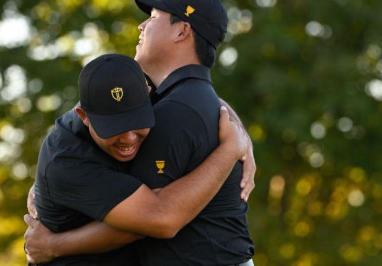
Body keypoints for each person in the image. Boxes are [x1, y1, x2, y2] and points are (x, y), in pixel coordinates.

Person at [28, 53, 250, 265]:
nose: (129, 138)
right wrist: (230, 150)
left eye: (136, 121)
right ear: (84, 116)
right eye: (114, 128)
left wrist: (244, 139)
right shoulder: (67, 162)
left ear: (148, 92)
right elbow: (160, 220)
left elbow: (200, 99)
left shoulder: (133, 91)